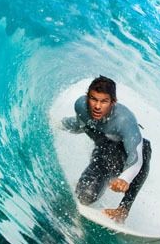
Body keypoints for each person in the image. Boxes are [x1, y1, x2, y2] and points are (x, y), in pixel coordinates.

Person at [61, 75, 151, 223]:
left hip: (127, 158)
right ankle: (84, 184)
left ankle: (123, 210)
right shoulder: (80, 106)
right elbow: (80, 125)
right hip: (104, 154)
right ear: (87, 97)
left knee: (145, 149)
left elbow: (136, 159)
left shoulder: (124, 120)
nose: (97, 106)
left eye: (104, 101)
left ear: (113, 102)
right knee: (85, 196)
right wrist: (58, 123)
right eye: (93, 99)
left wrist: (124, 178)